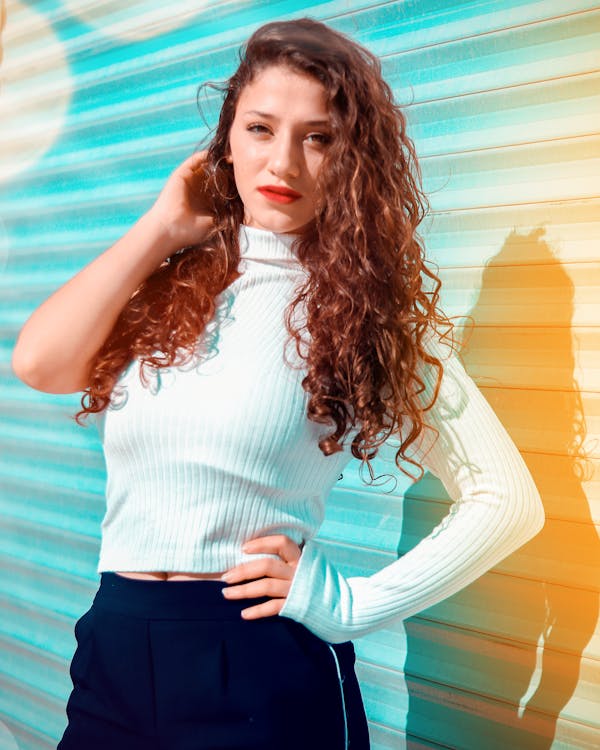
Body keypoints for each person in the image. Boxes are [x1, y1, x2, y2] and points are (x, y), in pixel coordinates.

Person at [11, 17, 545, 750]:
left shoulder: (360, 311)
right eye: (261, 128)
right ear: (225, 139)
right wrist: (163, 226)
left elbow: (509, 501)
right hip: (115, 645)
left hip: (259, 663)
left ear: (351, 157)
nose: (284, 161)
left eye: (318, 136)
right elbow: (41, 363)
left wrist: (353, 604)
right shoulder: (174, 285)